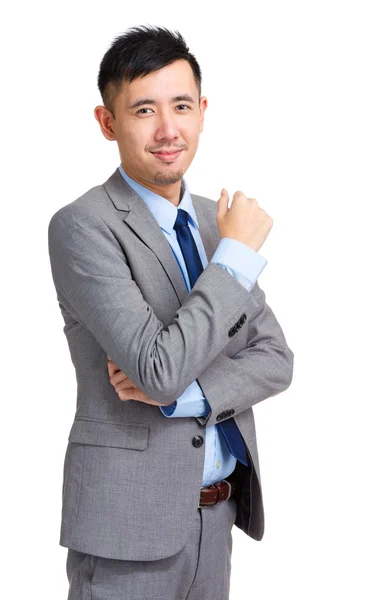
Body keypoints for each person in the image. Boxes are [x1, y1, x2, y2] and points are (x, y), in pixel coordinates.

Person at [48, 24, 294, 600]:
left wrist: (185, 397)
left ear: (203, 112)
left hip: (216, 518)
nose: (168, 129)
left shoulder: (217, 222)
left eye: (181, 106)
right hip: (124, 533)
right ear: (107, 123)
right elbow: (158, 366)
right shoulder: (83, 227)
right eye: (143, 110)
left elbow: (276, 359)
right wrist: (234, 258)